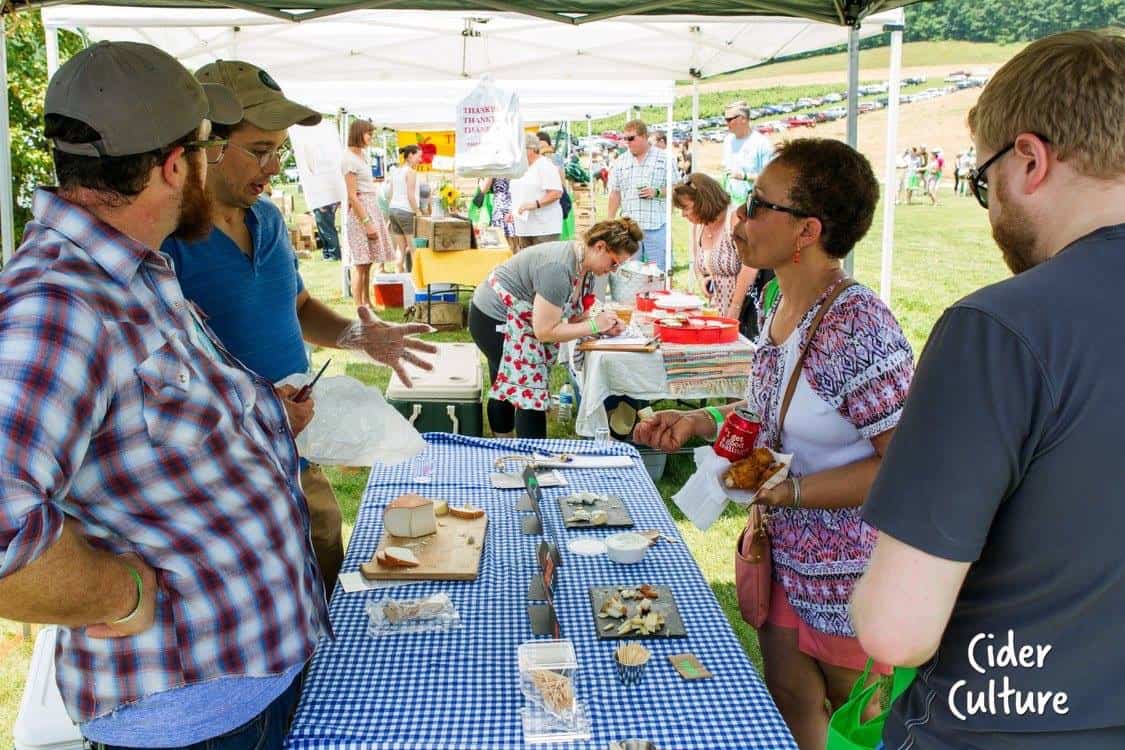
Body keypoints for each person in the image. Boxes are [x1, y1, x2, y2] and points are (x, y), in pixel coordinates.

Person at [0, 41, 320, 750]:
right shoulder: (59, 303)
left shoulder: (131, 269)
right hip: (189, 708)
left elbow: (150, 438)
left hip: (246, 675)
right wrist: (124, 594)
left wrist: (261, 426)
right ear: (179, 163)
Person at [852, 30, 1125, 750]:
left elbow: (895, 629)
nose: (988, 205)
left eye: (982, 181)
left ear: (1029, 159)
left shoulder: (1001, 328)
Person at [634, 138, 914, 750]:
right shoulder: (777, 301)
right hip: (781, 554)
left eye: (760, 205)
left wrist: (793, 491)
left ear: (806, 231)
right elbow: (770, 410)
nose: (740, 217)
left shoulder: (858, 324)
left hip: (849, 574)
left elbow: (909, 466)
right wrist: (703, 423)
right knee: (789, 700)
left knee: (865, 726)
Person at [163, 59, 438, 602]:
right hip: (223, 474)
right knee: (261, 604)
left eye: (279, 151)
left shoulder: (266, 219)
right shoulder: (167, 239)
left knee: (326, 564)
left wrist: (357, 336)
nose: (273, 167)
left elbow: (299, 305)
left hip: (297, 452)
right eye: (260, 150)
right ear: (207, 143)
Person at [468, 219, 642, 438]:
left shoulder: (584, 265)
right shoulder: (559, 269)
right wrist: (595, 324)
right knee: (528, 390)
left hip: (519, 315)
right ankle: (530, 456)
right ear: (600, 247)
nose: (613, 270)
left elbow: (575, 313)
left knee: (508, 381)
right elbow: (545, 331)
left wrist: (602, 327)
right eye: (614, 263)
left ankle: (505, 447)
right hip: (491, 316)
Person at [673, 173, 757, 319]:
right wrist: (703, 280)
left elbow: (750, 266)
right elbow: (698, 266)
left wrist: (735, 308)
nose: (683, 215)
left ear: (703, 202)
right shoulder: (698, 226)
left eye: (686, 208)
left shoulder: (734, 220)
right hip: (717, 313)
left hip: (745, 313)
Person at [607, 119, 672, 272]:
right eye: (625, 139)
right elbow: (615, 193)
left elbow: (677, 188)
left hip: (656, 228)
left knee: (657, 274)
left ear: (644, 136)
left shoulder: (665, 159)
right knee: (628, 275)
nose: (627, 143)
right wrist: (609, 221)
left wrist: (656, 192)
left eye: (631, 138)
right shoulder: (620, 162)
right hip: (629, 231)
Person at [342, 119, 397, 296]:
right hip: (361, 213)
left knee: (368, 262)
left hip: (371, 207)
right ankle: (360, 306)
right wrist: (366, 221)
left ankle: (367, 302)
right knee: (361, 263)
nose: (371, 138)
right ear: (359, 134)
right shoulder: (348, 159)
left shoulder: (362, 156)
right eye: (369, 134)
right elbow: (352, 195)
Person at [509, 132, 563, 250]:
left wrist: (535, 204)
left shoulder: (545, 165)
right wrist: (513, 212)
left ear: (531, 149)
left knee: (544, 264)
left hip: (544, 228)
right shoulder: (521, 168)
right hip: (524, 227)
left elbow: (556, 192)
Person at [720, 100, 775, 205]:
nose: (726, 123)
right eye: (725, 119)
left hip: (754, 206)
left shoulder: (762, 143)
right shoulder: (727, 141)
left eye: (729, 119)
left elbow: (769, 179)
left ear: (743, 119)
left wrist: (744, 176)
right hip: (730, 205)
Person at [386, 144, 422, 268]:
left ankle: (399, 276)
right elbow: (410, 195)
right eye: (419, 156)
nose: (420, 159)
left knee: (401, 248)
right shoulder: (411, 172)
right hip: (406, 212)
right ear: (410, 155)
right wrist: (418, 212)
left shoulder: (395, 171)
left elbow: (389, 194)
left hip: (393, 210)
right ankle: (416, 282)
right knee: (413, 248)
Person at [481, 176, 518, 253]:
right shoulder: (493, 169)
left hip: (516, 205)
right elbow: (484, 190)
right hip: (500, 209)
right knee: (504, 242)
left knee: (516, 242)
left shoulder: (515, 166)